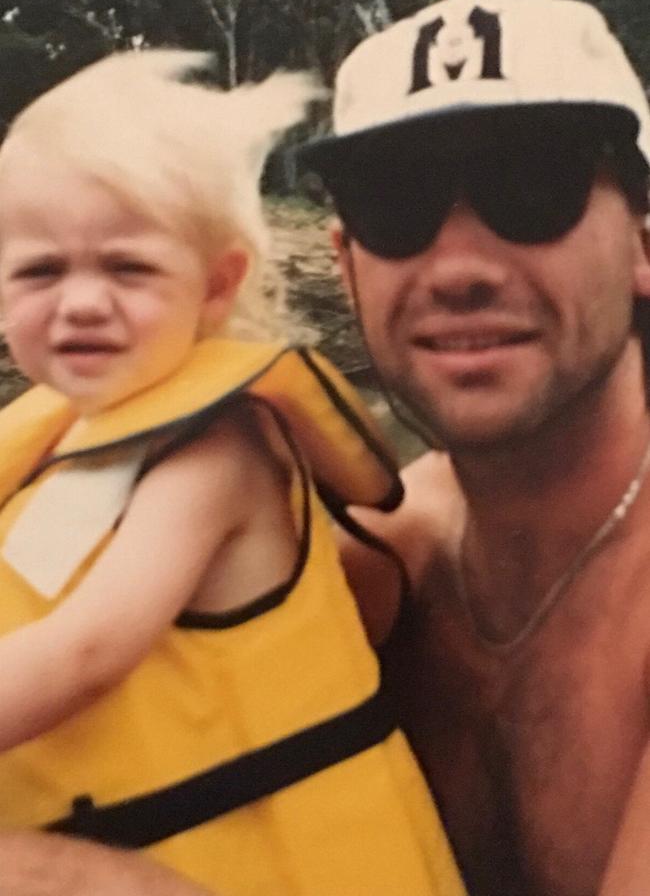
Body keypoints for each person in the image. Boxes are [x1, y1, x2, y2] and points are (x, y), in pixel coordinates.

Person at [0, 50, 465, 895]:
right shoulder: (64, 444)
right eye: (40, 271)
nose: (80, 302)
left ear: (216, 289)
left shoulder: (216, 452)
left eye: (128, 267)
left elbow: (87, 652)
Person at [302, 0, 650, 896]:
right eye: (397, 204)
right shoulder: (377, 558)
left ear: (645, 241)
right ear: (345, 263)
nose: (458, 267)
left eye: (532, 187)